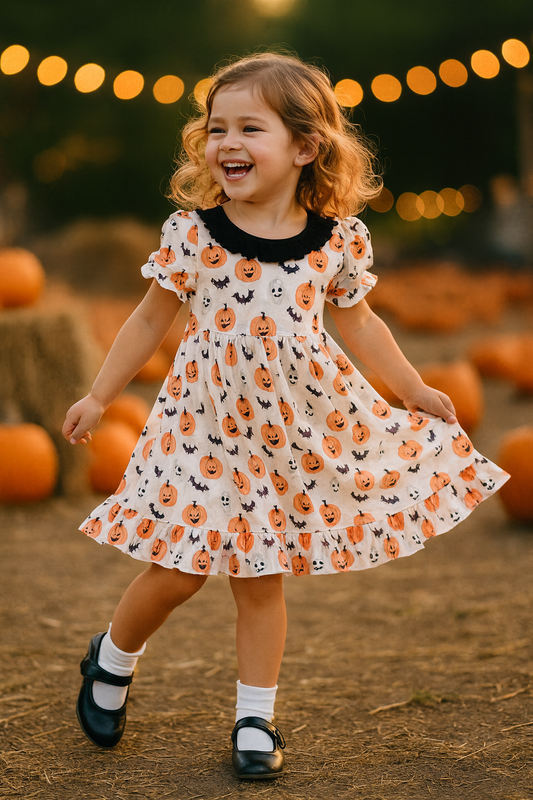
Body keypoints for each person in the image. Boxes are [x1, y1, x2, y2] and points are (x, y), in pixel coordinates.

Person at [62, 51, 509, 781]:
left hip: (284, 433)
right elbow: (146, 322)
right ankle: (110, 659)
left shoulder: (334, 239)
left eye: (249, 128)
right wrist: (98, 396)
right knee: (176, 573)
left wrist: (410, 388)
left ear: (304, 147)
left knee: (260, 578)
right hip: (198, 427)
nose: (227, 143)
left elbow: (360, 324)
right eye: (217, 129)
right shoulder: (193, 236)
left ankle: (253, 717)